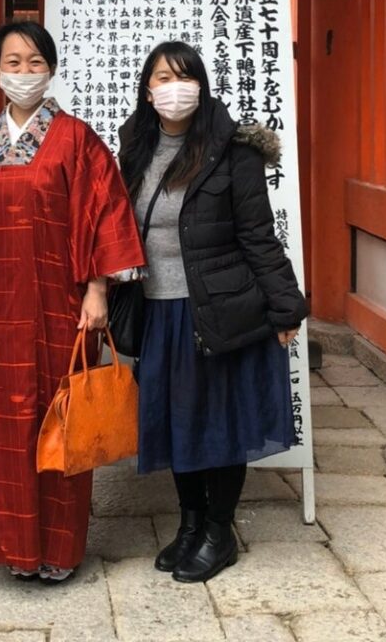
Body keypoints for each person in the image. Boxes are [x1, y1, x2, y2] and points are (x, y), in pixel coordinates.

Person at [0, 20, 145, 583]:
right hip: (1, 309)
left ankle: (59, 550)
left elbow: (104, 213)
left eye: (35, 62)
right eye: (12, 62)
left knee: (63, 421)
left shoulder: (76, 139)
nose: (24, 73)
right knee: (5, 428)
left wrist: (98, 289)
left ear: (52, 69)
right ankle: (15, 549)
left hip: (64, 305)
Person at [118, 41, 307, 584]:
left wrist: (285, 307)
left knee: (221, 421)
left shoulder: (233, 152)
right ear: (147, 89)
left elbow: (258, 236)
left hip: (220, 309)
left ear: (201, 85)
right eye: (161, 77)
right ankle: (190, 522)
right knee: (177, 421)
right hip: (159, 312)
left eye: (183, 76)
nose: (173, 88)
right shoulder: (135, 147)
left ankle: (220, 531)